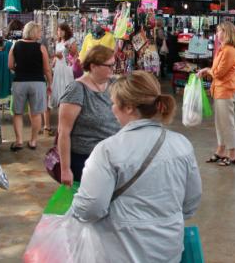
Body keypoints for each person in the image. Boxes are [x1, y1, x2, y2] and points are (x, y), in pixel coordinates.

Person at [69, 71, 202, 262]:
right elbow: (191, 202)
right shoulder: (182, 145)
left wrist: (74, 207)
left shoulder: (107, 151)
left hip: (120, 251)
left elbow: (91, 208)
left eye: (114, 103)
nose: (112, 109)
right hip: (168, 251)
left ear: (129, 107)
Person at [58, 45, 120, 185]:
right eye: (109, 65)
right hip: (85, 161)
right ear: (93, 66)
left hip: (113, 158)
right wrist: (65, 169)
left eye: (113, 65)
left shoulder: (114, 84)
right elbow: (63, 132)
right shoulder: (77, 89)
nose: (113, 69)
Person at [197, 21, 235, 166]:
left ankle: (232, 154)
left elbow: (218, 73)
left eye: (219, 31)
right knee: (220, 123)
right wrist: (208, 70)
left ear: (226, 33)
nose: (216, 34)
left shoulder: (228, 51)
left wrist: (206, 71)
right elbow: (216, 70)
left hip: (226, 89)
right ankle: (221, 150)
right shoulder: (222, 49)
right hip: (220, 89)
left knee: (227, 123)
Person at [8, 22, 52, 151]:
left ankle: (19, 141)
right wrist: (50, 83)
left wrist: (19, 69)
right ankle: (33, 141)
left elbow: (10, 65)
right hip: (37, 83)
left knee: (17, 113)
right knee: (36, 113)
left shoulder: (15, 45)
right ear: (34, 32)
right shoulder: (41, 48)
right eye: (39, 31)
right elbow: (47, 69)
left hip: (19, 82)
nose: (40, 34)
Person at [50, 23, 76, 112]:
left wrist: (68, 48)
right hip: (58, 67)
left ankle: (67, 105)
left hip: (66, 66)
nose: (59, 32)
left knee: (67, 85)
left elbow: (74, 54)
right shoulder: (57, 42)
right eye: (58, 30)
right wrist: (51, 66)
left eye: (61, 30)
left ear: (66, 31)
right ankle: (61, 106)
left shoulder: (71, 40)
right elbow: (56, 57)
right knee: (58, 85)